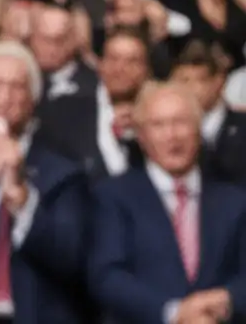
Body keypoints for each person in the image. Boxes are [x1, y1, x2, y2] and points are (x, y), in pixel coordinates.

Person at [89, 81, 246, 323]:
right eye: (158, 125)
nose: (171, 135)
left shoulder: (234, 201)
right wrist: (175, 313)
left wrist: (223, 300)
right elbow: (106, 276)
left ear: (199, 128)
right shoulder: (113, 196)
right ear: (141, 136)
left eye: (181, 122)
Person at [0, 42, 90, 322]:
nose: (5, 97)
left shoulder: (63, 171)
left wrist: (24, 201)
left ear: (33, 98)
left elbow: (71, 257)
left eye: (17, 87)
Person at [39, 24, 152, 182]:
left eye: (132, 61)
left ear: (145, 70)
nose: (120, 68)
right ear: (101, 64)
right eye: (113, 59)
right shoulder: (64, 111)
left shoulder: (157, 118)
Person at [173, 42, 246, 186]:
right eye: (183, 81)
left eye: (198, 80)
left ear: (218, 82)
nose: (188, 89)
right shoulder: (170, 130)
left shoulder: (243, 126)